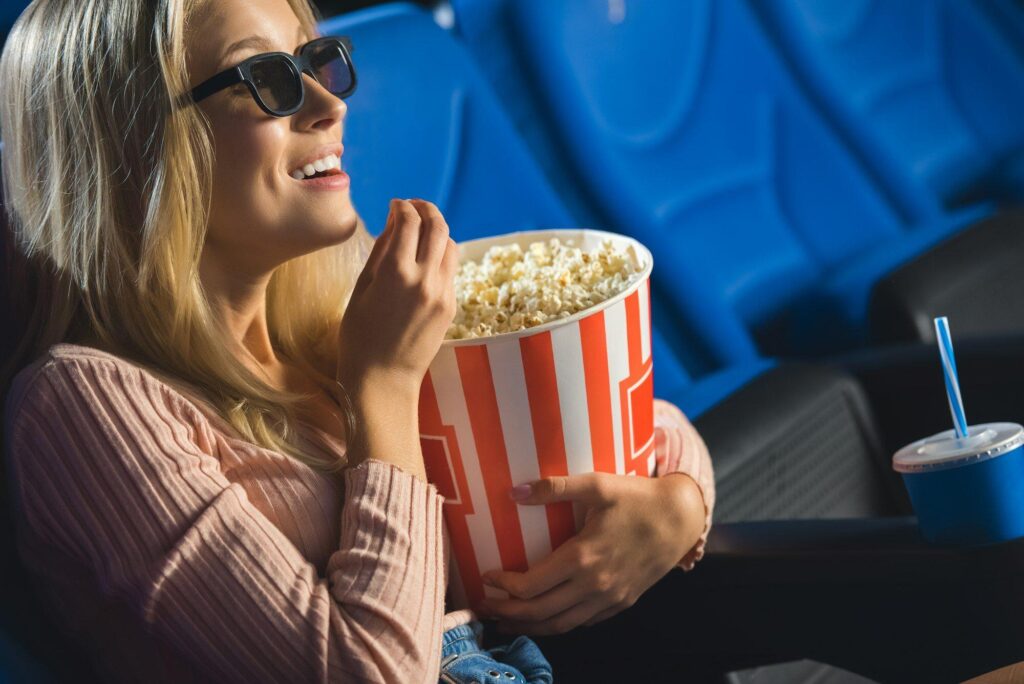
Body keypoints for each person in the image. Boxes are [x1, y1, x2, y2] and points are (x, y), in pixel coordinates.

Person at [0, 0, 715, 681]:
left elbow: (622, 432)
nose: (330, 105)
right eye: (265, 78)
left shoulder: (337, 320)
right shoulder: (80, 405)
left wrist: (680, 507)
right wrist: (384, 389)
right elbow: (373, 673)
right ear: (134, 146)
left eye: (313, 62)